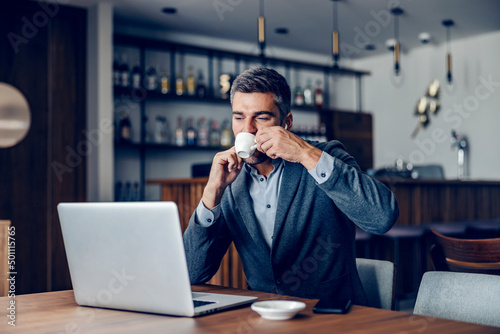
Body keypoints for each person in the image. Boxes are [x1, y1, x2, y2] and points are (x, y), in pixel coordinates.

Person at [183, 67, 399, 305]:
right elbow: (192, 273)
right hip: (263, 316)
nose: (247, 129)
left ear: (286, 122)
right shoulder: (230, 182)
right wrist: (211, 193)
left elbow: (382, 218)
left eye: (261, 117)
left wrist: (304, 153)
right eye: (239, 117)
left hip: (331, 315)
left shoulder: (325, 157)